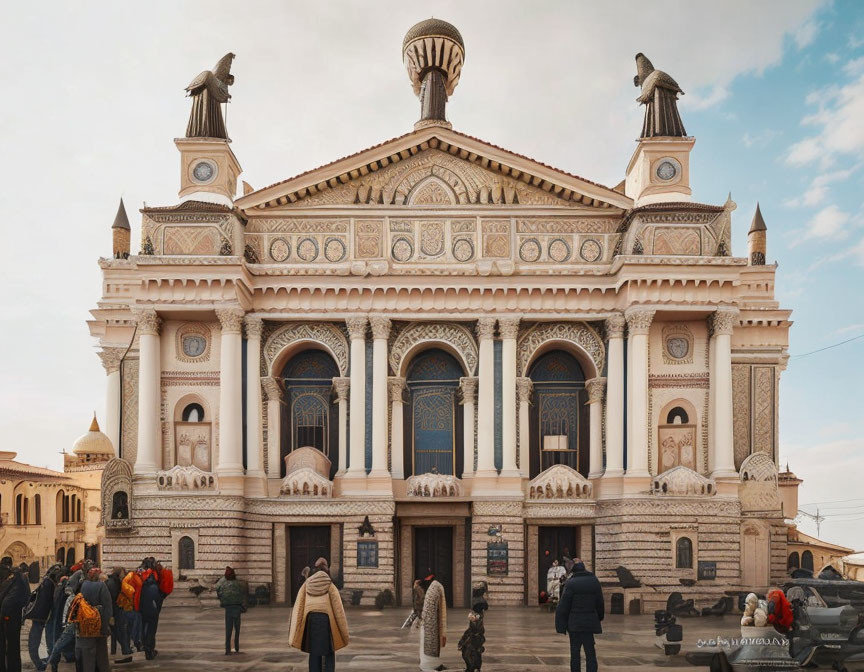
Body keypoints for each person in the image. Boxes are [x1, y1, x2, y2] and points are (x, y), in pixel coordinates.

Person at [288, 557, 349, 672]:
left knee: (314, 652)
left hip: (311, 620)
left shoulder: (306, 585)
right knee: (329, 652)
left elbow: (298, 607)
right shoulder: (331, 586)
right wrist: (344, 634)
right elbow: (338, 610)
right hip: (327, 621)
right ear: (326, 569)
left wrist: (294, 632)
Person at [555, 559, 604, 672]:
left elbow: (564, 605)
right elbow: (600, 603)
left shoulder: (571, 583)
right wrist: (599, 617)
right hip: (589, 623)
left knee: (575, 654)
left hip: (575, 624)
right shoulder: (594, 581)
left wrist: (561, 624)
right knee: (590, 653)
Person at [74, 567, 112, 672]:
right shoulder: (102, 586)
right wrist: (105, 627)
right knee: (101, 657)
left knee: (86, 656)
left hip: (84, 625)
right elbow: (108, 608)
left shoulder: (82, 585)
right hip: (98, 625)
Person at [26, 565, 61, 671]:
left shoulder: (47, 583)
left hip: (40, 617)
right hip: (42, 617)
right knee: (38, 642)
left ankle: (41, 664)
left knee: (35, 642)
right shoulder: (49, 584)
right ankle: (42, 664)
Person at [47, 573, 83, 672]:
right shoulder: (70, 594)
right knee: (68, 645)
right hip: (68, 623)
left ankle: (54, 664)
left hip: (61, 623)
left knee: (59, 645)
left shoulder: (61, 590)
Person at [0, 563, 30, 672]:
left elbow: (7, 603)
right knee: (12, 646)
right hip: (11, 617)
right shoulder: (19, 579)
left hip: (9, 618)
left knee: (11, 646)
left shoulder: (16, 580)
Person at [418, 574, 447, 672]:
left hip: (427, 625)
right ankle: (429, 666)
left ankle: (432, 664)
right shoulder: (436, 588)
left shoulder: (432, 589)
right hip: (430, 626)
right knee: (430, 646)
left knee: (430, 646)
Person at [216, 566, 246, 655]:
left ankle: (227, 649)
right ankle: (236, 647)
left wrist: (221, 600)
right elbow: (242, 594)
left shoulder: (223, 583)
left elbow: (218, 591)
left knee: (228, 630)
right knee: (237, 629)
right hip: (237, 608)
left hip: (228, 608)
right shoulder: (238, 584)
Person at [106, 567, 133, 663]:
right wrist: (111, 615)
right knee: (120, 633)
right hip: (116, 612)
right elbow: (112, 601)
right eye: (122, 573)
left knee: (118, 633)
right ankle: (126, 652)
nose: (124, 575)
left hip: (116, 611)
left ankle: (122, 652)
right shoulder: (113, 584)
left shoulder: (114, 582)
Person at [139, 558, 161, 660]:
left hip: (140, 606)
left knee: (143, 628)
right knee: (151, 630)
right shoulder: (151, 577)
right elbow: (154, 593)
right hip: (151, 607)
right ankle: (149, 650)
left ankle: (144, 646)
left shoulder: (138, 574)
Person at [120, 566, 143, 651]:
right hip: (129, 608)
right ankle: (134, 643)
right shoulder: (130, 581)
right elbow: (133, 594)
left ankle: (133, 643)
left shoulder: (124, 581)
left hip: (128, 607)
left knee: (130, 627)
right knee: (134, 626)